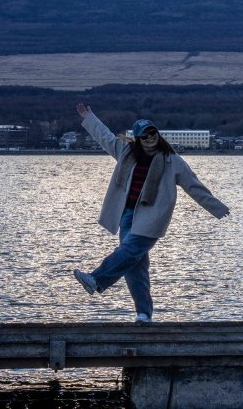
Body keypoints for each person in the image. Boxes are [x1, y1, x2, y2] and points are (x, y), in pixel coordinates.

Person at [73, 102, 230, 322]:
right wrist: (89, 117)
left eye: (152, 132)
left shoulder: (171, 161)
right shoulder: (126, 153)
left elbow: (194, 186)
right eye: (144, 136)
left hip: (151, 218)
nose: (150, 138)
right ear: (138, 140)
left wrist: (217, 208)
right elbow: (105, 137)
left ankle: (96, 280)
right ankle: (144, 313)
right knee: (135, 267)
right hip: (127, 215)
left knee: (128, 252)